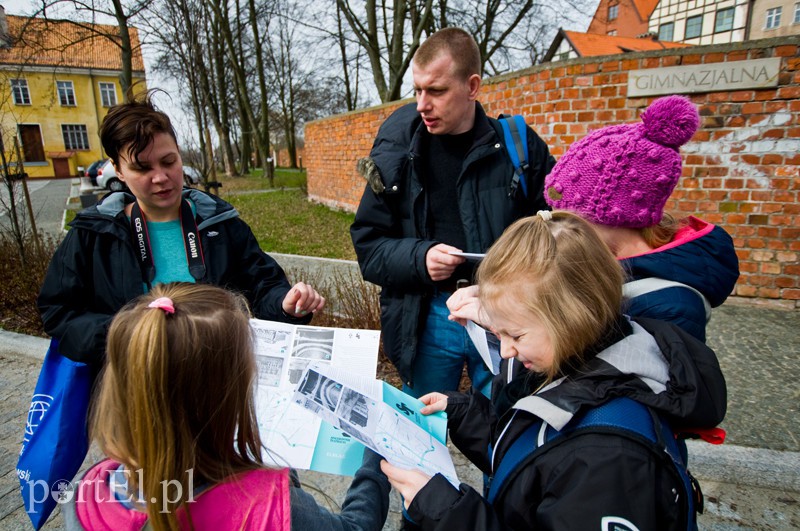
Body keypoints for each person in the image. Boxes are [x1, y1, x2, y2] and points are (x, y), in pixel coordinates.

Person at [382, 211, 727, 530]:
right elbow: (539, 458)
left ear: (573, 317)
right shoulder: (574, 363)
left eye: (515, 334)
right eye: (497, 332)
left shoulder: (609, 463)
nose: (505, 350)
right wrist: (464, 414)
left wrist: (450, 514)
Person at [63, 282, 389, 530]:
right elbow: (355, 527)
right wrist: (378, 449)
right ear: (222, 399)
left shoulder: (89, 490)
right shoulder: (265, 505)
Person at [37, 92, 324, 366]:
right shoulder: (94, 235)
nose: (160, 177)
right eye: (142, 168)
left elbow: (263, 287)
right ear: (118, 170)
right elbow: (59, 312)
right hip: (133, 391)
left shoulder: (221, 224)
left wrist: (286, 304)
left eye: (168, 161)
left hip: (217, 384)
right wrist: (126, 334)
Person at [350, 27, 555, 399]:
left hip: (503, 317)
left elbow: (560, 234)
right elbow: (369, 246)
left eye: (437, 91)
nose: (422, 105)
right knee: (418, 432)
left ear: (472, 87)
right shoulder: (395, 155)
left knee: (506, 431)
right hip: (428, 316)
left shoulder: (520, 149)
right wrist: (419, 257)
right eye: (417, 90)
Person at [544, 94, 739, 343]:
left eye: (568, 215)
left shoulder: (672, 308)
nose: (558, 225)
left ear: (614, 217)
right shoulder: (605, 263)